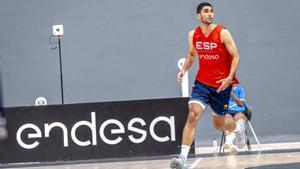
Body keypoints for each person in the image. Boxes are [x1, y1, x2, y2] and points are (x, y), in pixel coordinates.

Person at [170, 2, 246, 169]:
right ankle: (182, 158)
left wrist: (229, 77)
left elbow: (236, 56)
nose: (210, 14)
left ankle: (238, 127)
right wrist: (182, 71)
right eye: (206, 11)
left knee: (220, 125)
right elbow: (191, 56)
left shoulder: (223, 33)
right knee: (192, 115)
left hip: (221, 85)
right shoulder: (193, 35)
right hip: (202, 84)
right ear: (199, 15)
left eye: (212, 11)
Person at [223, 86, 248, 153]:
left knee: (237, 119)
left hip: (239, 111)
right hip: (228, 112)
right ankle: (231, 145)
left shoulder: (240, 89)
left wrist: (231, 92)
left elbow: (240, 103)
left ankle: (229, 141)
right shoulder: (222, 90)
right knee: (227, 121)